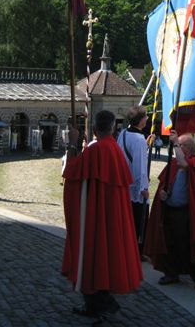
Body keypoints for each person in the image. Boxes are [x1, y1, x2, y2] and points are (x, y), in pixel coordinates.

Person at [61, 110, 142, 320]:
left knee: (92, 257)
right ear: (114, 128)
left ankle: (102, 304)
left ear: (95, 128)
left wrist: (72, 143)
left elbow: (71, 173)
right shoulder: (114, 149)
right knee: (101, 257)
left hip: (95, 219)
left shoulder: (96, 150)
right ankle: (96, 305)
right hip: (108, 218)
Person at [144, 131, 195, 291]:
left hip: (188, 214)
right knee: (170, 243)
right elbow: (167, 184)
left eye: (180, 145)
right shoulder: (173, 164)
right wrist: (163, 194)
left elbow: (185, 165)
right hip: (171, 210)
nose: (177, 149)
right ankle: (171, 272)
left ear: (188, 148)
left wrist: (174, 142)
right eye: (177, 145)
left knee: (190, 245)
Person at [117, 105, 154, 255]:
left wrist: (145, 144)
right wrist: (143, 188)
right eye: (145, 116)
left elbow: (130, 156)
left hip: (125, 185)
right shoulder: (138, 139)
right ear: (140, 120)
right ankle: (136, 252)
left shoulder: (124, 133)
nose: (147, 119)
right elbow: (139, 166)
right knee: (137, 223)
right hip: (135, 189)